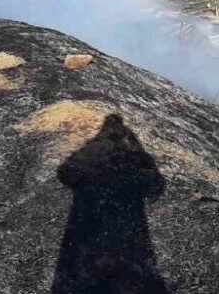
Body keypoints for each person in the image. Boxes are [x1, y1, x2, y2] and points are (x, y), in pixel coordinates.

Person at [51, 114, 167, 294]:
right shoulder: (134, 154)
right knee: (132, 275)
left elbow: (65, 173)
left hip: (88, 224)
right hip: (127, 226)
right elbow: (156, 185)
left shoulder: (92, 151)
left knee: (81, 275)